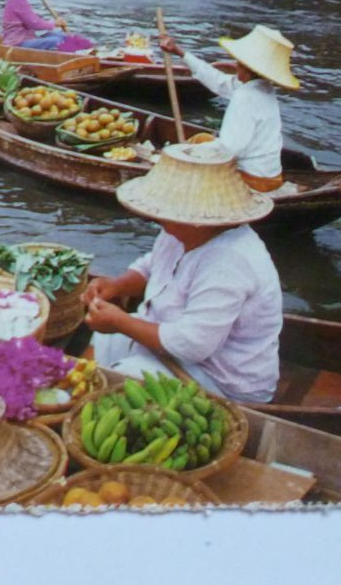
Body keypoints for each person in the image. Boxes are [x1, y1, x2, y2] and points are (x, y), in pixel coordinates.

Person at [80, 143, 282, 403]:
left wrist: (120, 322)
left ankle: (84, 402)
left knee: (124, 380)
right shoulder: (181, 231)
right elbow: (152, 266)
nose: (157, 218)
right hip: (169, 346)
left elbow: (192, 344)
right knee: (104, 342)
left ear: (198, 217)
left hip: (220, 381)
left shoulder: (230, 262)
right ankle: (76, 392)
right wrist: (117, 286)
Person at [158, 24, 299, 193]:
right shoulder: (262, 88)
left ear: (247, 67)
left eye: (238, 61)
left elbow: (229, 148)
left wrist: (183, 152)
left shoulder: (246, 97)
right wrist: (179, 52)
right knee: (202, 139)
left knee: (192, 151)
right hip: (270, 174)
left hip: (252, 178)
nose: (235, 64)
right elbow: (219, 81)